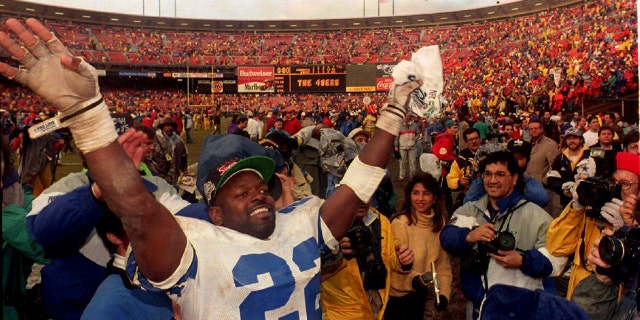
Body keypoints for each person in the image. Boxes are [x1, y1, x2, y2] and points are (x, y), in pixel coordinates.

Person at [0, 18, 425, 318]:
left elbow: (359, 183)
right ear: (214, 212)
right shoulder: (193, 246)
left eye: (258, 186)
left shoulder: (301, 222)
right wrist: (88, 116)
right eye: (239, 193)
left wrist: (394, 109)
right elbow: (136, 207)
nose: (258, 193)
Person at [440, 151, 565, 319]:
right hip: (480, 306)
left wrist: (523, 260)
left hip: (522, 308)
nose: (493, 180)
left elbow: (557, 260)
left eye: (500, 174)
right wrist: (469, 236)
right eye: (488, 174)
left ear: (514, 178)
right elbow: (446, 236)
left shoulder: (536, 215)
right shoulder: (471, 209)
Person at [547, 151, 640, 299]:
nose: (616, 188)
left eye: (624, 184)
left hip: (614, 301)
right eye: (613, 182)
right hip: (579, 294)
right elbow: (556, 247)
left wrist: (625, 231)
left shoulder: (636, 223)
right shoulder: (591, 205)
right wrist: (576, 208)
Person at [320, 200, 414, 320]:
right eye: (357, 193)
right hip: (340, 315)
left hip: (375, 311)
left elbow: (389, 259)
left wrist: (404, 260)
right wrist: (333, 254)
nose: (362, 200)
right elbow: (308, 272)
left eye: (367, 193)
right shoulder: (325, 223)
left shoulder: (380, 221)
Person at [385, 172, 452, 320]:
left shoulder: (439, 223)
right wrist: (414, 279)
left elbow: (442, 265)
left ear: (434, 198)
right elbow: (397, 263)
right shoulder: (400, 224)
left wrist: (443, 294)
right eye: (416, 193)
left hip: (421, 295)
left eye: (426, 194)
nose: (420, 199)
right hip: (398, 297)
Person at [464, 139, 549, 208]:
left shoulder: (530, 183)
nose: (517, 162)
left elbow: (542, 199)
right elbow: (468, 203)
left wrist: (518, 181)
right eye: (513, 158)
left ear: (527, 161)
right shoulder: (489, 181)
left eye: (521, 158)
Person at [546, 128, 595, 208]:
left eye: (575, 138)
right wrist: (563, 187)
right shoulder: (560, 158)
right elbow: (551, 179)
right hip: (567, 203)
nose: (572, 141)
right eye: (569, 138)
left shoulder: (591, 156)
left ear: (581, 140)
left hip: (588, 203)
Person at [447, 128, 482, 207]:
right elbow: (450, 179)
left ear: (480, 139)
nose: (474, 141)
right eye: (470, 140)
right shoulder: (459, 161)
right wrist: (459, 181)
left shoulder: (490, 155)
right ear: (466, 142)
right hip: (468, 198)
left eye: (476, 138)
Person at [153, 118, 188, 185]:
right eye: (167, 126)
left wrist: (184, 168)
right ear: (163, 127)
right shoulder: (157, 139)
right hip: (161, 172)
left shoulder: (178, 140)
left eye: (171, 126)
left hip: (175, 172)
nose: (170, 128)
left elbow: (184, 154)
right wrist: (154, 164)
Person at [395, 115, 419, 181]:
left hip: (412, 146)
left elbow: (418, 133)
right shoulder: (400, 125)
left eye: (408, 117)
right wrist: (396, 145)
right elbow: (396, 137)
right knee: (402, 162)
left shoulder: (414, 125)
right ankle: (401, 176)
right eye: (406, 116)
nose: (407, 118)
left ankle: (413, 176)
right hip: (403, 146)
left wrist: (414, 140)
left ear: (410, 117)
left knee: (413, 162)